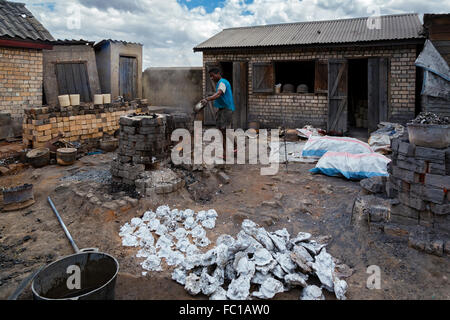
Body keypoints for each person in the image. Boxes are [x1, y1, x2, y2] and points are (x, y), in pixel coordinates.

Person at [201, 68, 236, 158]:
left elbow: (218, 94)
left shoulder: (222, 82)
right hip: (223, 109)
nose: (211, 78)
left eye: (212, 75)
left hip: (226, 109)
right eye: (210, 76)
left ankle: (226, 153)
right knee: (224, 131)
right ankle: (235, 147)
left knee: (223, 131)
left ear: (218, 74)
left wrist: (207, 99)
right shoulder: (220, 83)